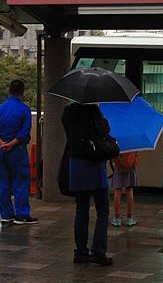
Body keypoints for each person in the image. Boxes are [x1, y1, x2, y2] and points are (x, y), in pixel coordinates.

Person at [62, 103, 113, 266]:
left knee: (81, 210)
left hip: (76, 166)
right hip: (95, 168)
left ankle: (81, 252)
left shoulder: (68, 112)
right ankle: (99, 251)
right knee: (102, 211)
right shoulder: (96, 114)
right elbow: (105, 133)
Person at [0, 80, 37, 225]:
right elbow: (24, 131)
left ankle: (6, 214)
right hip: (17, 150)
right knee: (20, 181)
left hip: (1, 150)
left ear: (9, 90)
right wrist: (12, 144)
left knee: (4, 182)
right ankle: (21, 214)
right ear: (22, 91)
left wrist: (2, 143)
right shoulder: (24, 109)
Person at [110, 152, 140, 227]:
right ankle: (129, 218)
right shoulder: (133, 141)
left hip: (118, 166)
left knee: (117, 191)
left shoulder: (118, 140)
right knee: (129, 191)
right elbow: (137, 155)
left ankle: (117, 219)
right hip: (130, 167)